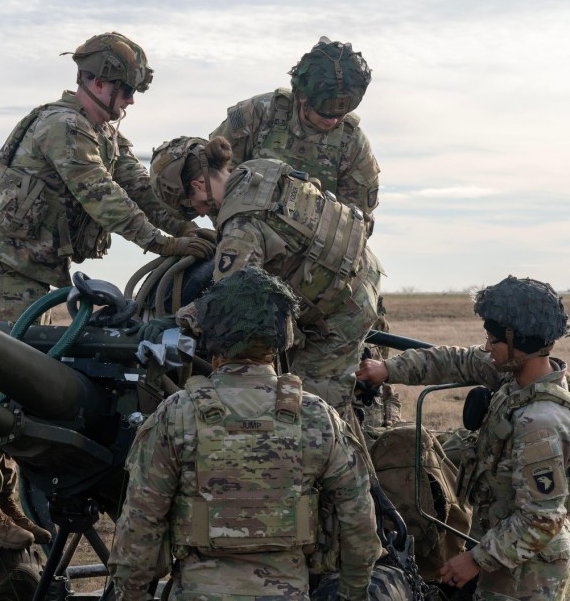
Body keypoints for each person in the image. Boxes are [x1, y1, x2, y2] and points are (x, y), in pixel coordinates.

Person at [0, 32, 216, 549]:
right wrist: (165, 244)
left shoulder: (104, 137)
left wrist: (193, 232)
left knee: (40, 389)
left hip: (38, 276)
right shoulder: (64, 129)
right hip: (4, 272)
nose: (129, 101)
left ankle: (7, 496)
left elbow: (138, 192)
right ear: (96, 81)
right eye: (123, 90)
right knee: (9, 387)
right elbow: (102, 199)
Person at [109, 267, 381, 600]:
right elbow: (359, 524)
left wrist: (131, 595)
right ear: (283, 335)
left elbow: (140, 523)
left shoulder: (178, 414)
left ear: (212, 334)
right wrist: (353, 594)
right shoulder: (316, 416)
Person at [357, 276, 570, 598]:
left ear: (519, 342)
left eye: (493, 341)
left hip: (525, 578)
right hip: (498, 552)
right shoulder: (516, 377)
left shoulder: (539, 422)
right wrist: (388, 370)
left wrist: (476, 559)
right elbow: (456, 360)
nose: (486, 348)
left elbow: (542, 519)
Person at [149, 137, 383, 420]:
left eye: (192, 205)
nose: (199, 213)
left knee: (313, 410)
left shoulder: (241, 227)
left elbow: (230, 300)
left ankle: (350, 458)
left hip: (342, 310)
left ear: (199, 185)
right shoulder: (260, 173)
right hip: (359, 273)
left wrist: (178, 321)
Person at [209, 37, 379, 227]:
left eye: (341, 113)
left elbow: (357, 221)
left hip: (311, 247)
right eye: (323, 110)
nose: (332, 120)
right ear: (302, 97)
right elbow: (210, 175)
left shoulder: (353, 145)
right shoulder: (257, 114)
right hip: (242, 231)